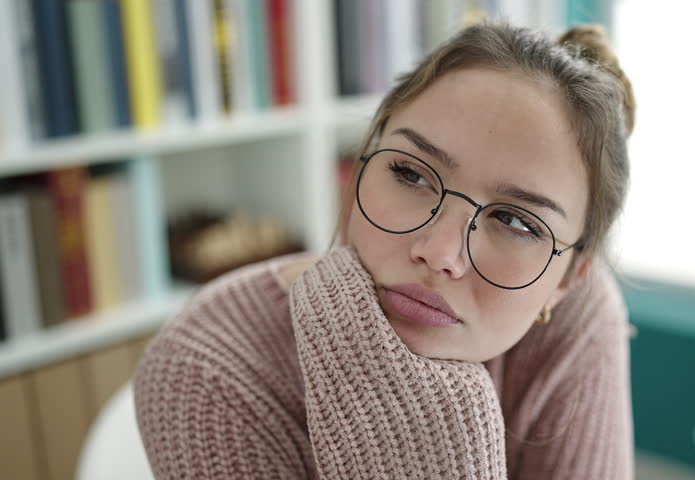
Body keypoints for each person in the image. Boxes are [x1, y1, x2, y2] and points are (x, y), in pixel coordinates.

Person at [134, 21, 636, 479]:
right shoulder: (205, 373)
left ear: (571, 277)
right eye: (411, 174)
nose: (440, 252)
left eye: (514, 221)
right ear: (359, 169)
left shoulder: (580, 318)